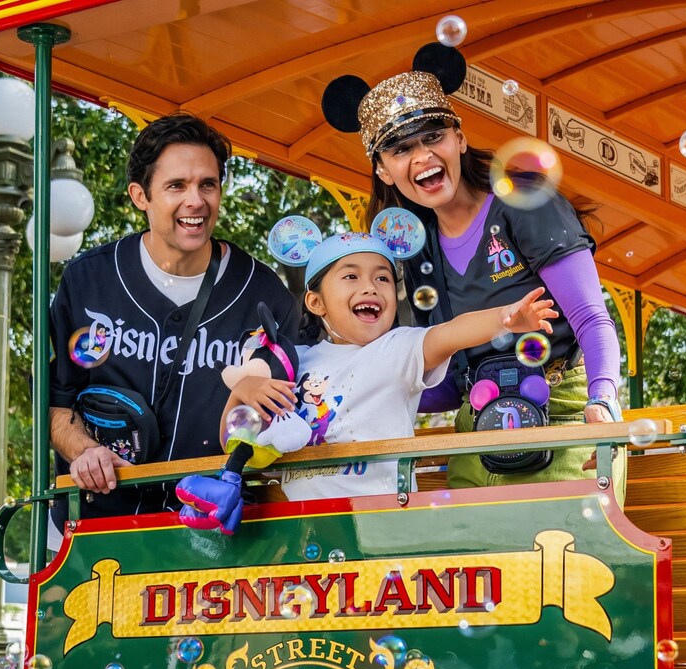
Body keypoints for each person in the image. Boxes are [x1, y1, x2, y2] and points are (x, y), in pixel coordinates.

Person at [321, 43, 626, 503]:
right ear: (383, 171)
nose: (422, 156)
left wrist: (602, 401)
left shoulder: (523, 202)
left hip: (564, 416)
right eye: (401, 149)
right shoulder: (415, 248)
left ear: (459, 139)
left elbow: (591, 318)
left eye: (433, 137)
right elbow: (446, 383)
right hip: (475, 433)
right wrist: (341, 397)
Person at [49, 112, 298, 519]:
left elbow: (287, 421)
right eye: (176, 185)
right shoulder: (88, 279)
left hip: (216, 530)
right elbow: (56, 402)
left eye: (207, 184)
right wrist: (86, 452)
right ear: (140, 195)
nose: (195, 200)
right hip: (99, 528)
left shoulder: (266, 295)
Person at [226, 220, 557, 501]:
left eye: (382, 278)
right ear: (315, 302)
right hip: (305, 528)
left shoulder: (397, 349)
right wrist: (243, 390)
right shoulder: (292, 362)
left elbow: (450, 333)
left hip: (381, 523)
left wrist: (504, 317)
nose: (371, 287)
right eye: (351, 277)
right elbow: (233, 440)